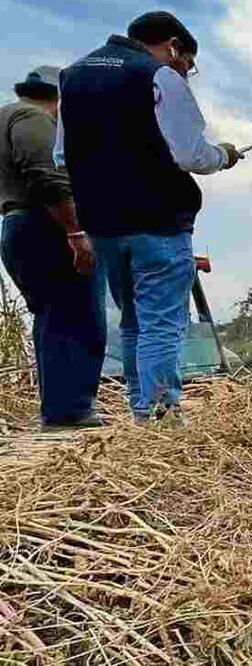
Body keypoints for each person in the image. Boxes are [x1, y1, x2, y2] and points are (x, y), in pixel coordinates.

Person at [55, 11, 245, 423]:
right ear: (173, 46)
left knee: (133, 323)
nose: (185, 71)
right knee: (162, 323)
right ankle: (161, 418)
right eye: (187, 63)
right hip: (158, 221)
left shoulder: (73, 76)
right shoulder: (158, 76)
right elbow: (188, 154)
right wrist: (225, 156)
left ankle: (142, 412)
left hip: (103, 225)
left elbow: (61, 156)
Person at [0, 66, 106, 430]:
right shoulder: (32, 118)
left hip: (17, 224)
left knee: (51, 318)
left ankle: (60, 408)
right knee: (79, 317)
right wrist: (76, 232)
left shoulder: (4, 117)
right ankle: (71, 411)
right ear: (60, 96)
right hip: (47, 227)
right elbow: (46, 176)